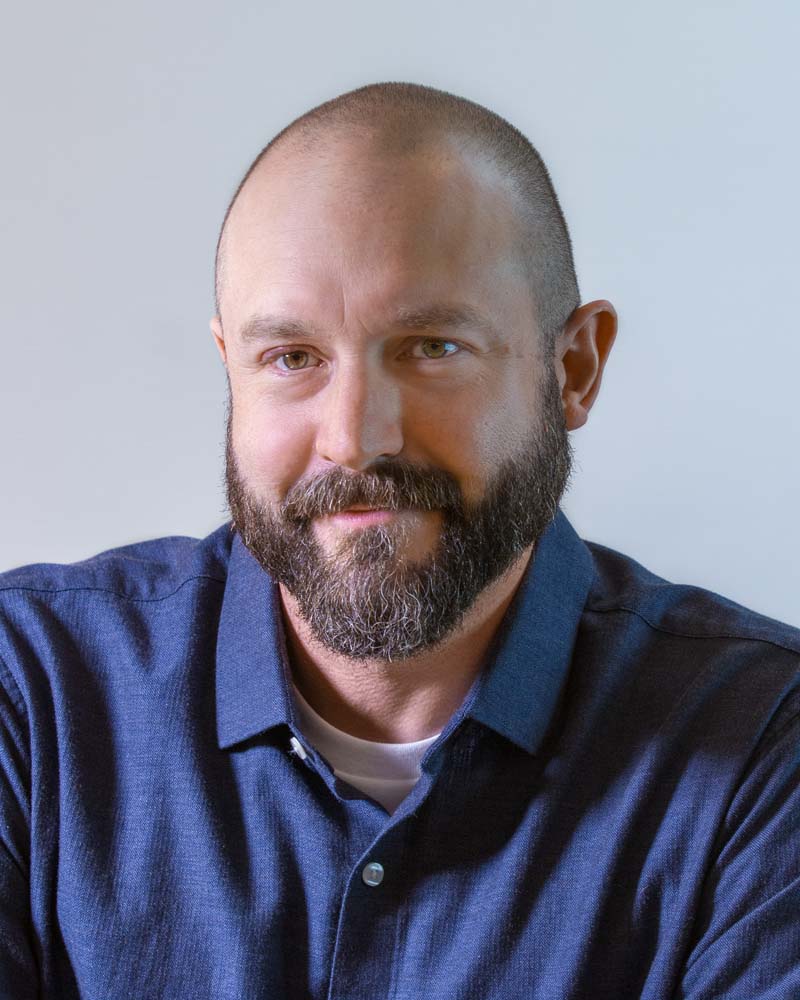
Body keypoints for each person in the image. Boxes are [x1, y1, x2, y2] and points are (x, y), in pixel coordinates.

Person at [0, 82, 798, 1000]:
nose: (355, 436)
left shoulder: (765, 748)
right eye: (292, 358)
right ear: (232, 369)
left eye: (430, 347)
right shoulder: (33, 692)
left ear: (573, 369)